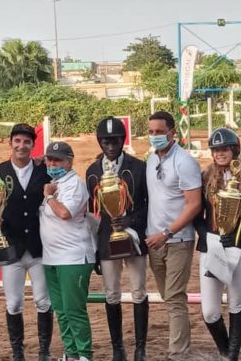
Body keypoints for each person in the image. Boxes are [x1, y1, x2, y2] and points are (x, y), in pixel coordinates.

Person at [86, 117, 149, 361]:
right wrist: (95, 250)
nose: (111, 146)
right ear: (99, 142)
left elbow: (148, 205)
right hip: (106, 239)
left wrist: (130, 222)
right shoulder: (92, 172)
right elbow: (93, 215)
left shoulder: (138, 167)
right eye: (106, 141)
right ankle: (117, 347)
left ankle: (140, 348)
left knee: (138, 291)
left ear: (123, 140)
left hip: (133, 236)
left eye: (115, 141)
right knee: (111, 293)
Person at [0, 124, 53, 361]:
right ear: (11, 143)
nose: (21, 146)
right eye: (17, 141)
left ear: (32, 145)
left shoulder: (44, 170)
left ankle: (44, 350)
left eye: (26, 142)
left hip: (38, 246)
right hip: (11, 247)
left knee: (42, 300)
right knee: (14, 302)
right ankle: (18, 351)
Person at [194, 128, 241, 361]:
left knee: (237, 303)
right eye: (216, 149)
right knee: (210, 311)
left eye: (224, 149)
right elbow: (196, 215)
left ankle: (232, 355)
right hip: (212, 247)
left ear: (234, 150)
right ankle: (224, 349)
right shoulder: (204, 178)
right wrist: (210, 237)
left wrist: (239, 236)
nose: (220, 153)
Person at [144, 111, 202, 360]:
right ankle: (182, 347)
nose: (155, 136)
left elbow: (194, 204)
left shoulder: (185, 162)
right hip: (154, 240)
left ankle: (178, 352)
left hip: (177, 239)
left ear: (172, 133)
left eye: (159, 131)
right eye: (151, 132)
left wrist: (167, 233)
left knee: (176, 297)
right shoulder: (150, 159)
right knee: (168, 297)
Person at [40, 142, 95, 361]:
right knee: (61, 311)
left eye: (58, 160)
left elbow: (64, 213)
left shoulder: (74, 184)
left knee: (74, 310)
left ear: (69, 162)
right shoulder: (53, 183)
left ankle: (84, 354)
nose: (53, 164)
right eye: (49, 160)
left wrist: (49, 197)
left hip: (73, 256)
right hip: (51, 257)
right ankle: (71, 353)